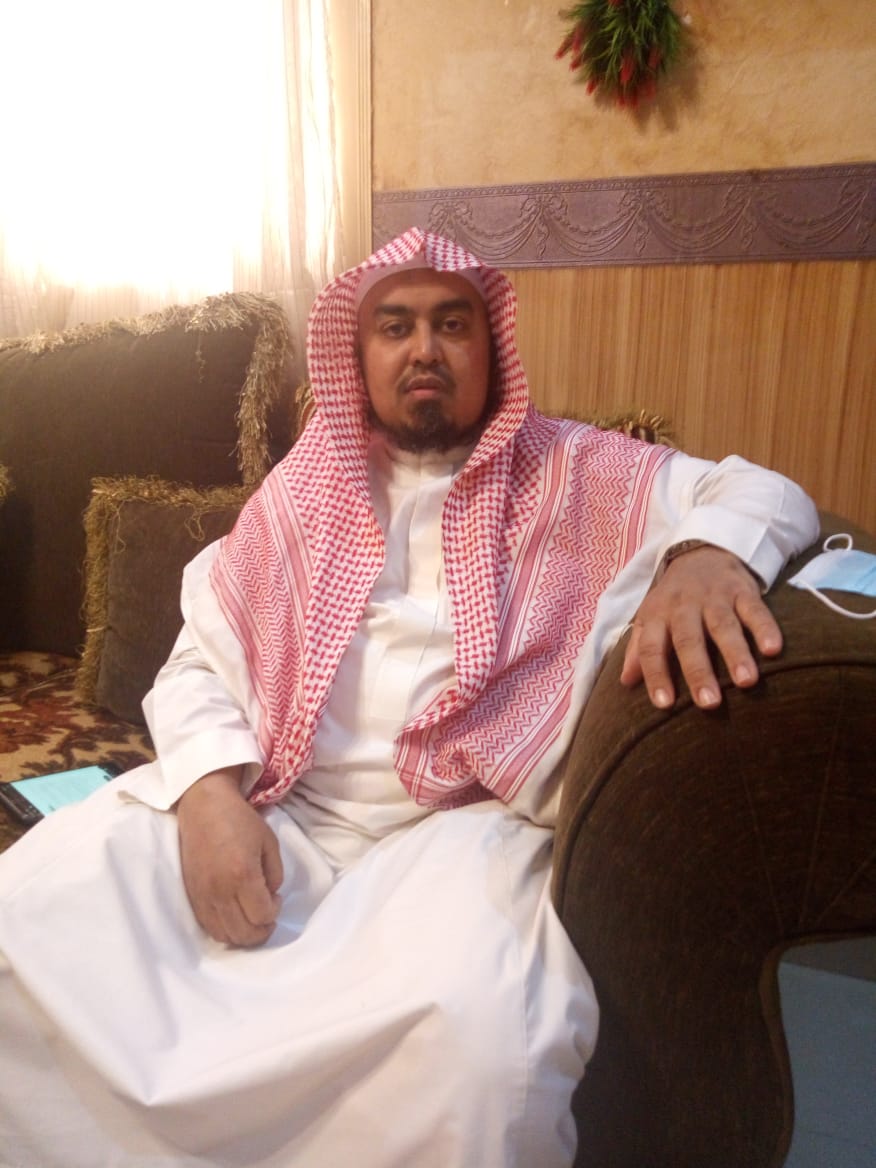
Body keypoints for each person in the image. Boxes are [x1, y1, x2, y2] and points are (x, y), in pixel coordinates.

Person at [0, 229, 818, 1168]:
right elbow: (198, 662)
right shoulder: (304, 488)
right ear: (360, 357)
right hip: (280, 804)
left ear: (490, 347)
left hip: (461, 829)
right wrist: (209, 796)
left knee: (476, 1048)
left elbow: (767, 493)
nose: (423, 348)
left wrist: (704, 556)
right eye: (394, 327)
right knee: (31, 914)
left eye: (450, 325)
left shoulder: (580, 470)